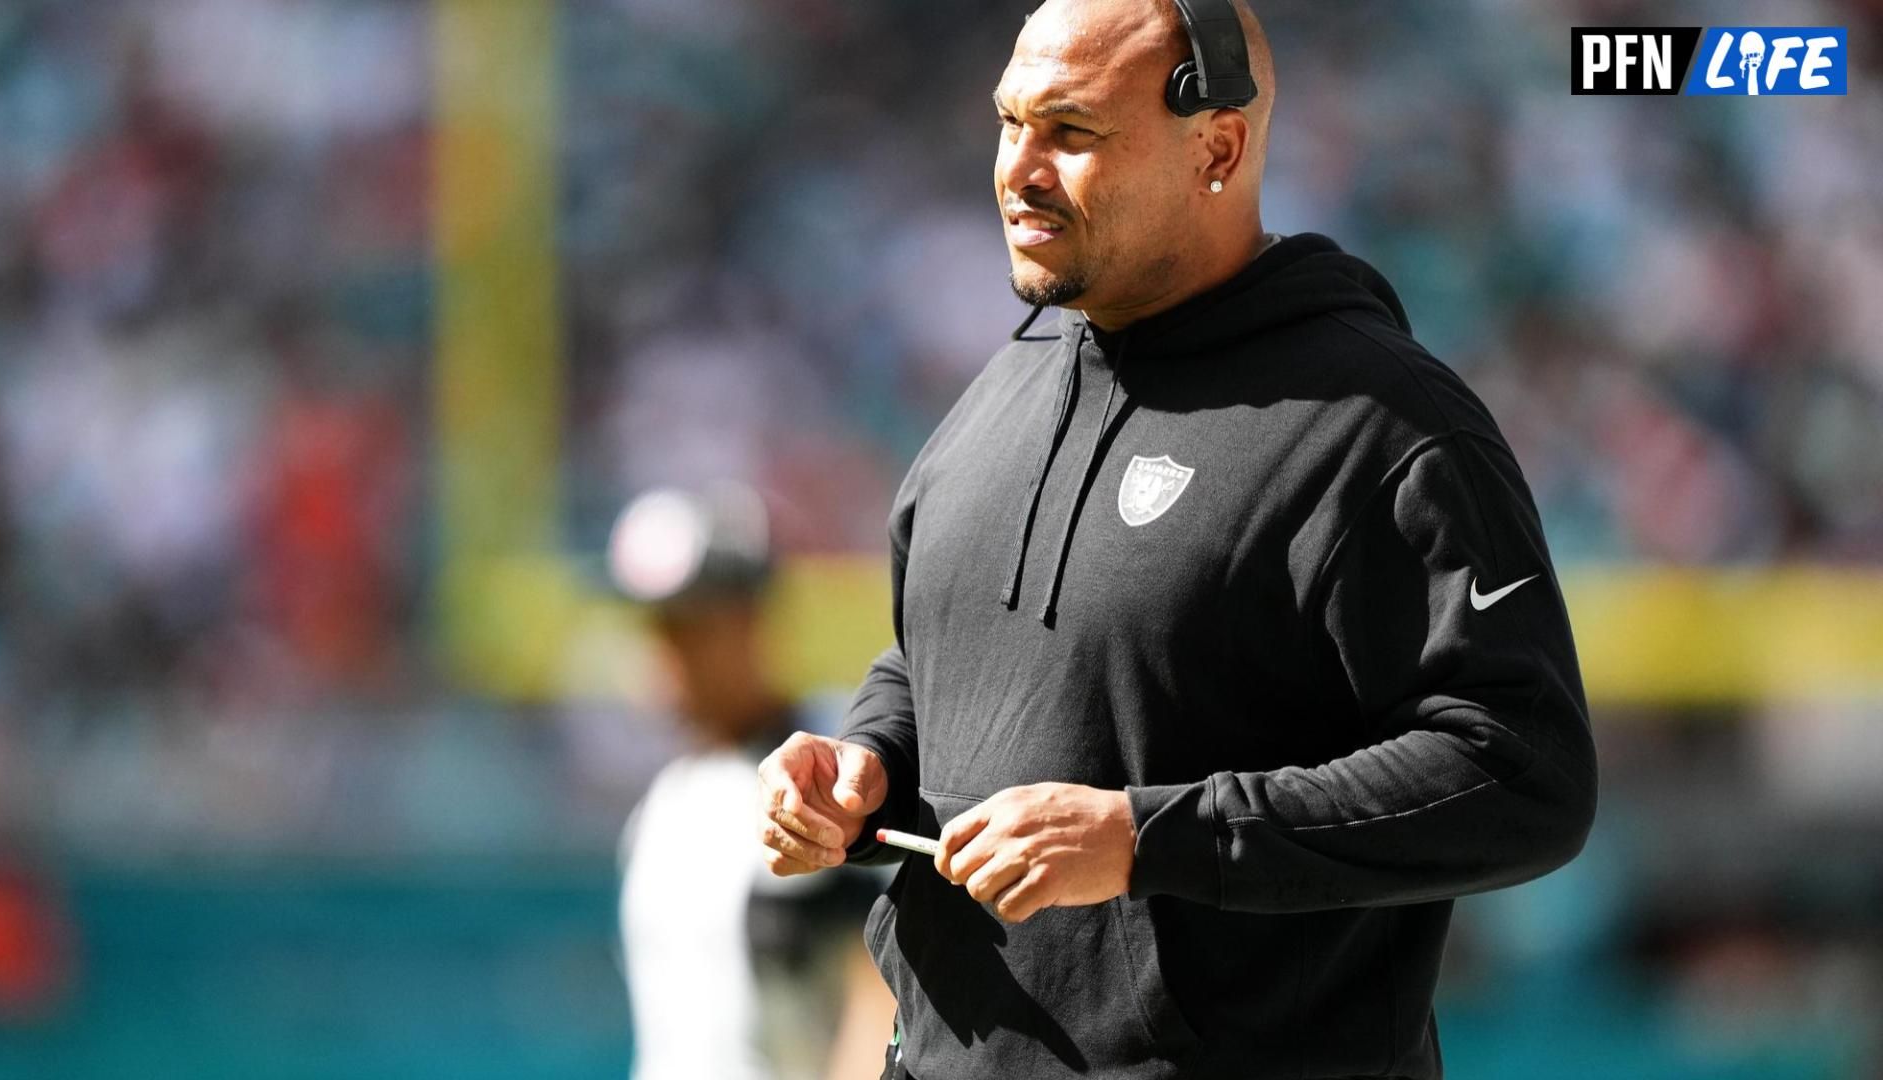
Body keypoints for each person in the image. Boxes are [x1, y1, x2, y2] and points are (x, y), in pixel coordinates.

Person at [756, 1, 1597, 1077]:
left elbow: (1522, 772)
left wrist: (1148, 838)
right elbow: (941, 655)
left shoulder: (1379, 424)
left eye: (1071, 132)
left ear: (1218, 147)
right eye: (1010, 124)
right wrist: (864, 764)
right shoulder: (1006, 385)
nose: (1020, 168)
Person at [609, 484, 895, 1080]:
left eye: (691, 624)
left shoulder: (836, 781)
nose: (667, 650)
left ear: (752, 619)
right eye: (657, 625)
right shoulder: (664, 805)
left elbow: (884, 997)